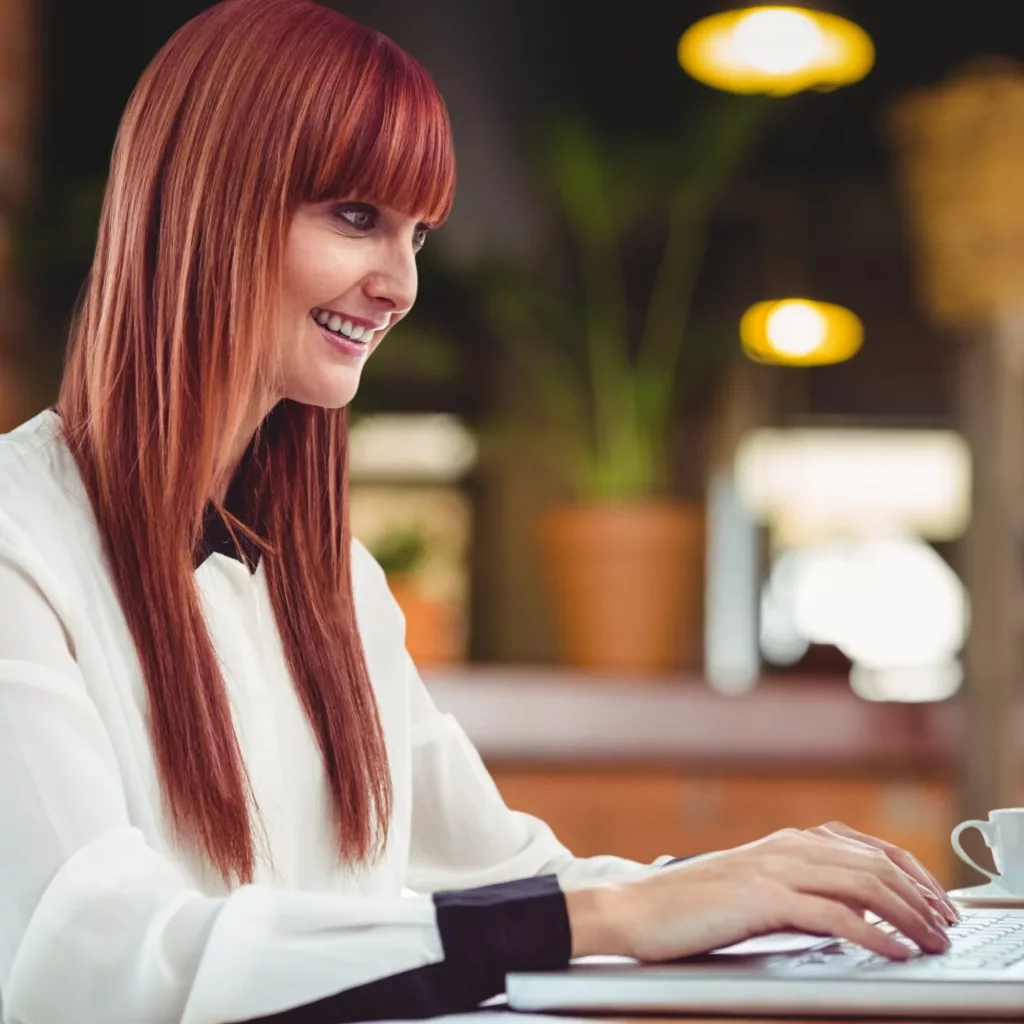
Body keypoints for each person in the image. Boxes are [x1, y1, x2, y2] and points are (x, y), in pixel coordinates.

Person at [0, 2, 958, 1022]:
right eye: (357, 217)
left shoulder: (333, 589)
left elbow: (505, 875)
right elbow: (93, 958)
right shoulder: (22, 539)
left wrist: (751, 890)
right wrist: (625, 909)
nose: (401, 283)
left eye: (416, 234)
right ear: (206, 203)